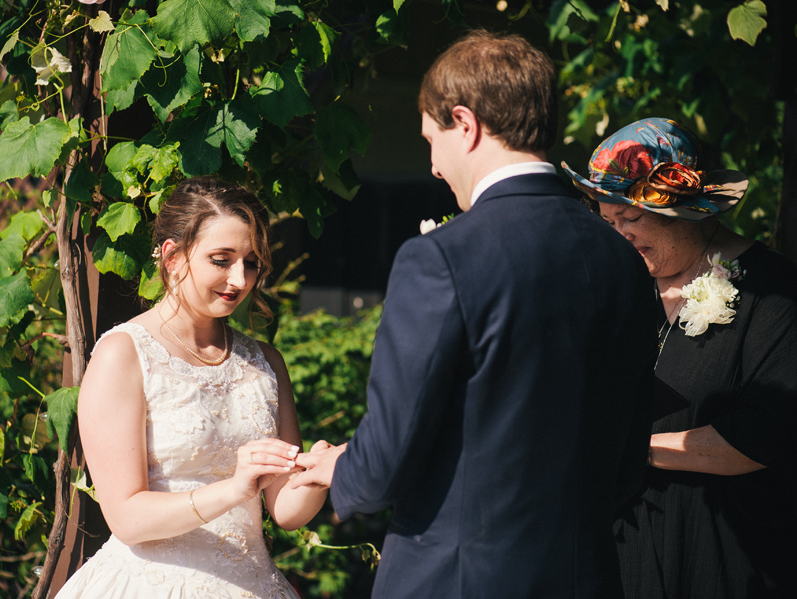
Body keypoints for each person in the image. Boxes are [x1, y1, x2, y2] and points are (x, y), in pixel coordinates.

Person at [291, 31, 657, 599]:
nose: (434, 167)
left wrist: (342, 468)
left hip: (458, 580)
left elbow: (390, 453)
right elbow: (628, 461)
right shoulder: (623, 260)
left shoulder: (439, 258)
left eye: (430, 140)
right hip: (585, 575)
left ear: (465, 124)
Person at [55, 177, 328, 598]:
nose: (239, 279)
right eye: (222, 260)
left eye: (251, 263)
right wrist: (234, 489)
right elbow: (126, 517)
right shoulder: (123, 355)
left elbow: (285, 511)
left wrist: (318, 475)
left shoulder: (266, 363)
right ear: (173, 257)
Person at [562, 117, 797, 598]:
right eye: (608, 222)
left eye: (631, 218)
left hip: (726, 561)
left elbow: (765, 435)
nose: (619, 235)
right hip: (624, 559)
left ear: (685, 211)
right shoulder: (621, 289)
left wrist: (628, 450)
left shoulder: (773, 293)